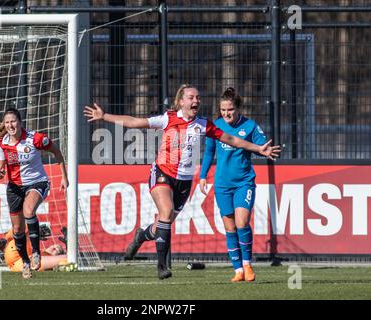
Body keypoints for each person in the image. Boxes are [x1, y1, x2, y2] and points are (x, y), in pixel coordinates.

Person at [84, 84, 280, 280]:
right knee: (166, 212)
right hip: (162, 172)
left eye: (198, 97)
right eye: (191, 97)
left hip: (184, 181)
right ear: (181, 101)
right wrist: (105, 116)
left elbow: (231, 139)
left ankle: (142, 235)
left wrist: (257, 148)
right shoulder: (167, 118)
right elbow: (135, 122)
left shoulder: (204, 124)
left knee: (163, 222)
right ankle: (162, 267)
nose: (196, 101)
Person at [0, 107, 69, 279]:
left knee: (29, 210)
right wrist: (0, 172)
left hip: (38, 182)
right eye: (7, 122)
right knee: (17, 228)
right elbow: (0, 168)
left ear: (20, 122)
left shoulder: (36, 139)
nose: (10, 125)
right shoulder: (1, 142)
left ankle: (37, 252)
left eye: (13, 121)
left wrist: (64, 177)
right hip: (15, 187)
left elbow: (57, 152)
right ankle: (25, 262)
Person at [199, 87, 267, 282]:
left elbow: (261, 146)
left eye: (230, 109)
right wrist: (203, 175)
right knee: (229, 227)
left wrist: (266, 150)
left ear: (238, 109)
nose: (226, 113)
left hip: (244, 182)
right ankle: (237, 270)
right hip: (222, 185)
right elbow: (209, 152)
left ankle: (247, 266)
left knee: (242, 222)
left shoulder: (250, 126)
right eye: (223, 110)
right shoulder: (216, 126)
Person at [0, 225, 69, 275]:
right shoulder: (36, 251)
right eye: (55, 246)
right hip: (16, 256)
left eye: (57, 250)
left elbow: (68, 258)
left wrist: (70, 247)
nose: (54, 248)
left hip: (21, 263)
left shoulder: (39, 260)